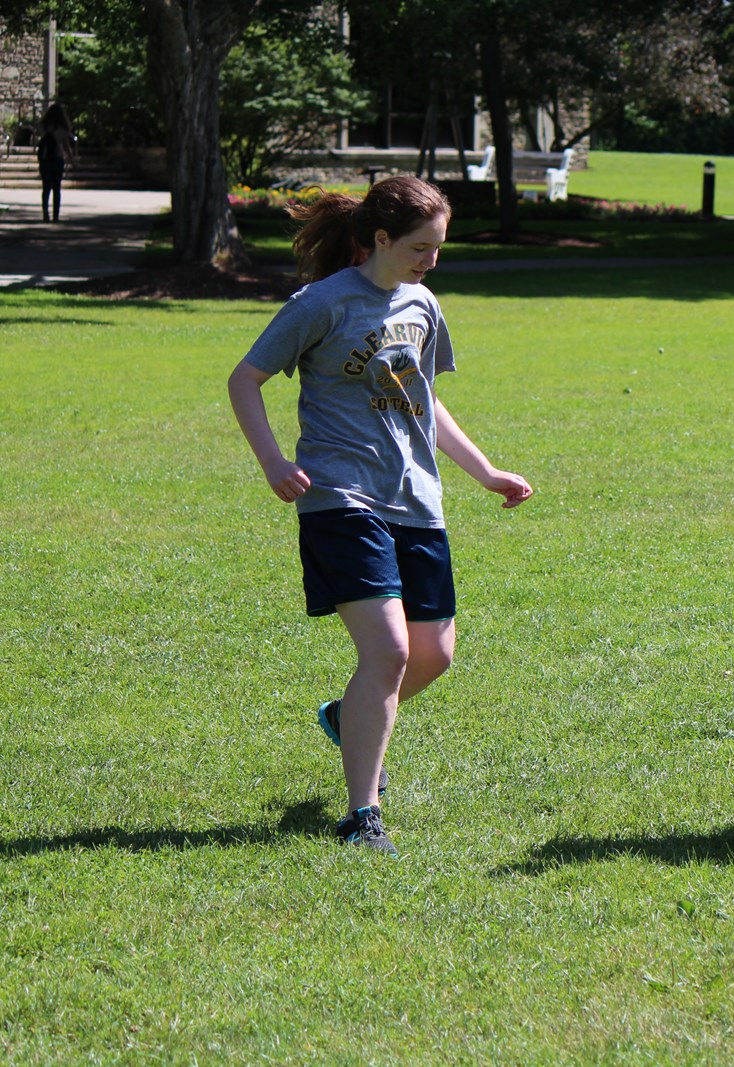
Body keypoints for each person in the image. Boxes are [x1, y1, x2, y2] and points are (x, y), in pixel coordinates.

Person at [227, 176, 532, 856]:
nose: (432, 260)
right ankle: (362, 816)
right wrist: (273, 462)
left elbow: (423, 398)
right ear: (382, 239)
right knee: (389, 652)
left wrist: (485, 471)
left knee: (435, 655)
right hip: (341, 497)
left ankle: (349, 717)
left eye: (439, 247)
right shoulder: (321, 302)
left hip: (416, 499)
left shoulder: (423, 304)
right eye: (421, 247)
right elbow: (244, 379)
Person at [35, 102, 75, 222]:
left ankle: (45, 213)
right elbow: (66, 146)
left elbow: (37, 139)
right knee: (56, 189)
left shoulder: (43, 127)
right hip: (57, 159)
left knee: (46, 188)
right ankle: (55, 215)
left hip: (45, 160)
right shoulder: (62, 130)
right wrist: (72, 160)